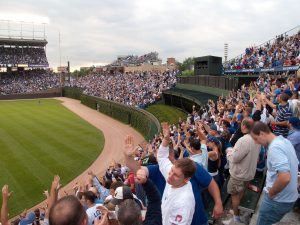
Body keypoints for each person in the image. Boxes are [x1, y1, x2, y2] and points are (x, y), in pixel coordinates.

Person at [250, 121, 299, 225]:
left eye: (256, 138)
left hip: (278, 200)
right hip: (288, 198)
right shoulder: (284, 141)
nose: (256, 142)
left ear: (262, 133)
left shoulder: (274, 148)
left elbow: (285, 177)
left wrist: (272, 192)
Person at [157, 122, 197, 225]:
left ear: (186, 179)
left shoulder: (183, 202)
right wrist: (166, 140)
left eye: (175, 175)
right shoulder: (173, 175)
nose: (170, 175)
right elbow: (161, 158)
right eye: (171, 171)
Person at [223, 118, 260, 225]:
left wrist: (229, 152)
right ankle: (236, 211)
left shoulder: (243, 140)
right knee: (241, 193)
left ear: (243, 126)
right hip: (249, 173)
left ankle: (236, 218)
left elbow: (234, 158)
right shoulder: (256, 138)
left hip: (239, 175)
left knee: (235, 196)